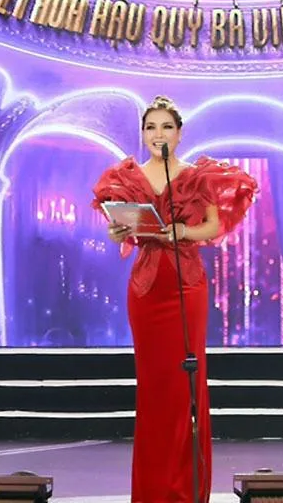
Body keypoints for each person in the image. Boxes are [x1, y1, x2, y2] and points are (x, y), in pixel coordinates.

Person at [91, 95, 258, 502]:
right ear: (142, 134)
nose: (158, 134)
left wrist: (183, 232)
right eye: (151, 127)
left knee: (186, 385)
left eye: (166, 126)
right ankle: (152, 490)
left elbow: (213, 227)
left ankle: (185, 489)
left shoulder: (195, 177)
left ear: (179, 134)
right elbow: (119, 230)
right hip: (147, 291)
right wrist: (117, 232)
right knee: (153, 388)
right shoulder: (126, 178)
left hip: (186, 287)